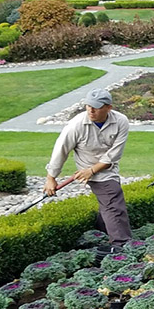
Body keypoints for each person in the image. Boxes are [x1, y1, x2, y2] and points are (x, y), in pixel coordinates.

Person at [45, 88, 132, 249]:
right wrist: (51, 177)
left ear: (109, 107)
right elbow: (61, 150)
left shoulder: (121, 121)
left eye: (97, 107)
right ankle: (121, 245)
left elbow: (114, 154)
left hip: (107, 167)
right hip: (86, 165)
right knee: (112, 198)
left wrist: (92, 171)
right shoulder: (76, 125)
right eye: (88, 106)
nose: (91, 110)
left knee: (108, 202)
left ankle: (103, 232)